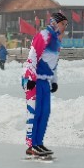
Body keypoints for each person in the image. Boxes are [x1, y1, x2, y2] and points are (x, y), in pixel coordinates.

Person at [22, 11, 67, 158]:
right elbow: (33, 56)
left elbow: (53, 64)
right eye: (63, 24)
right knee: (35, 112)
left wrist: (54, 81)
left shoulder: (56, 41)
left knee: (45, 112)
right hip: (33, 80)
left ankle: (38, 143)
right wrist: (29, 78)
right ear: (54, 22)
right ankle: (31, 145)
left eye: (66, 25)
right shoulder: (44, 35)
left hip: (45, 81)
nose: (65, 27)